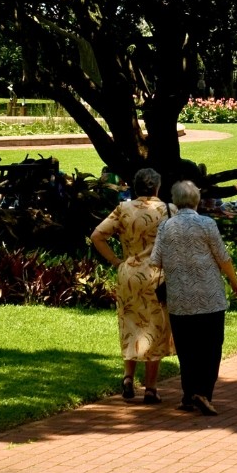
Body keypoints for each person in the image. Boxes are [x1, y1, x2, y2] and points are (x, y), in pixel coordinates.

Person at [151, 180, 237, 416]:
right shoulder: (207, 224)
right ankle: (203, 392)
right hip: (209, 296)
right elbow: (222, 257)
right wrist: (234, 283)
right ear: (196, 201)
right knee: (211, 347)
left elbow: (156, 260)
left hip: (179, 298)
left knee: (186, 349)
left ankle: (188, 393)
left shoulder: (166, 227)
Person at [90, 168, 173, 404]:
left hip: (129, 273)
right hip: (158, 275)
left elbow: (97, 235)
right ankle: (151, 387)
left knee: (131, 325)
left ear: (135, 187)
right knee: (155, 329)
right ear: (157, 187)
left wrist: (116, 261)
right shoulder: (169, 210)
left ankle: (128, 377)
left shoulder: (123, 209)